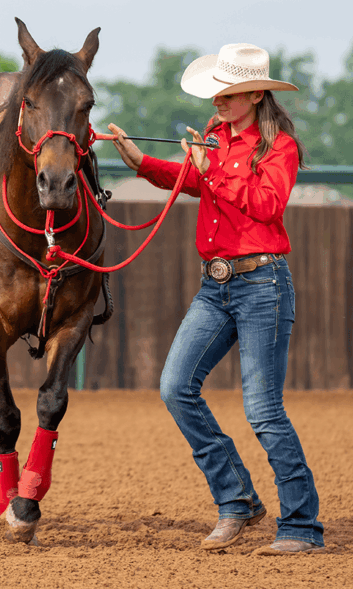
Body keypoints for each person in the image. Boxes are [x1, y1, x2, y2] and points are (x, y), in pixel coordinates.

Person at [109, 43, 324, 555]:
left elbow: (267, 205)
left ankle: (301, 526)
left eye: (227, 93)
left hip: (262, 285)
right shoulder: (215, 135)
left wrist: (212, 170)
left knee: (263, 411)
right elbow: (193, 181)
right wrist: (142, 163)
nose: (218, 100)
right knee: (175, 388)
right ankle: (237, 499)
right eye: (217, 93)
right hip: (216, 285)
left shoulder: (279, 147)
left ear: (255, 94)